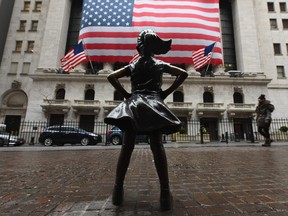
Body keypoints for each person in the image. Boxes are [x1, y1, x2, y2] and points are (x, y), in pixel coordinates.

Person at [104, 29, 188, 211]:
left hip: (134, 105)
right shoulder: (159, 64)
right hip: (154, 105)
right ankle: (165, 193)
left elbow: (111, 76)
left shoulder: (132, 66)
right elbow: (183, 73)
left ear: (139, 47)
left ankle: (117, 190)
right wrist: (165, 93)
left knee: (127, 146)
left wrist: (127, 95)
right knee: (157, 146)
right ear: (153, 48)